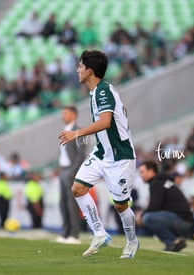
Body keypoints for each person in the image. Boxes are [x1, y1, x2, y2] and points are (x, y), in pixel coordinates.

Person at [59, 50, 138, 258]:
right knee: (77, 189)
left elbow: (105, 122)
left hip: (120, 156)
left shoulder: (102, 90)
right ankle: (100, 234)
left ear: (90, 71)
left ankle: (132, 242)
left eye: (80, 66)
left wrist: (75, 133)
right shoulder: (99, 91)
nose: (77, 70)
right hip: (102, 152)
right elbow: (120, 111)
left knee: (121, 205)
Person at [137, 161, 193, 252]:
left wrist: (141, 215)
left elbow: (154, 206)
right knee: (151, 218)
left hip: (181, 220)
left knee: (147, 218)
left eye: (142, 172)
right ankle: (174, 241)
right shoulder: (161, 181)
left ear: (151, 171)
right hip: (184, 219)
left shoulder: (156, 183)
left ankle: (173, 241)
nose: (140, 175)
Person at [57, 106, 86, 244]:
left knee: (71, 203)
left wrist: (73, 171)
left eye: (65, 113)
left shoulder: (78, 131)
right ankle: (65, 233)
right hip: (62, 169)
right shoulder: (64, 130)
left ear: (73, 114)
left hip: (70, 170)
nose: (63, 116)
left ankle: (74, 234)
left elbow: (81, 154)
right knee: (62, 203)